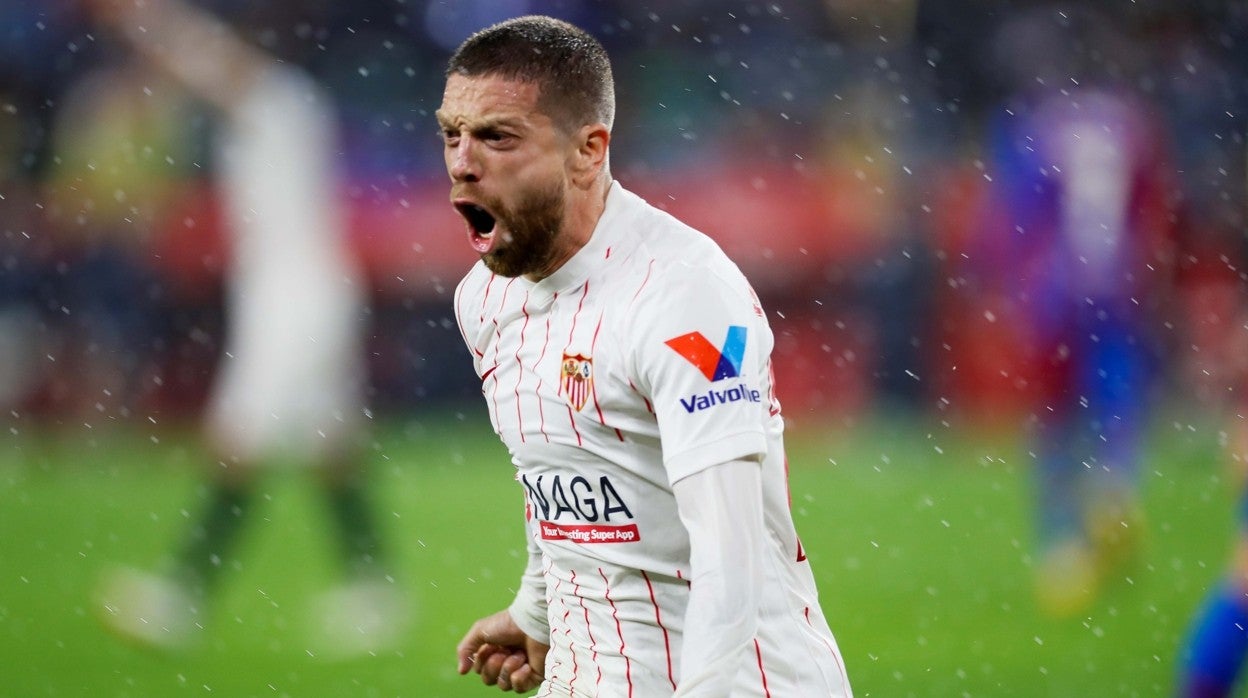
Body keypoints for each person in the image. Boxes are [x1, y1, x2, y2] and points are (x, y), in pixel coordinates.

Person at [439, 16, 852, 696]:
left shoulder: (686, 298)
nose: (462, 161)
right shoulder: (485, 301)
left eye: (496, 136)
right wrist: (536, 612)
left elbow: (730, 552)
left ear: (588, 150)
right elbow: (556, 475)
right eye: (452, 134)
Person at [87, 0, 406, 656]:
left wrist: (144, 18)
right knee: (329, 445)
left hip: (294, 300)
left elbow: (212, 65)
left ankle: (181, 595)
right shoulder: (281, 105)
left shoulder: (280, 101)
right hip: (298, 291)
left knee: (239, 439)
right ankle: (374, 591)